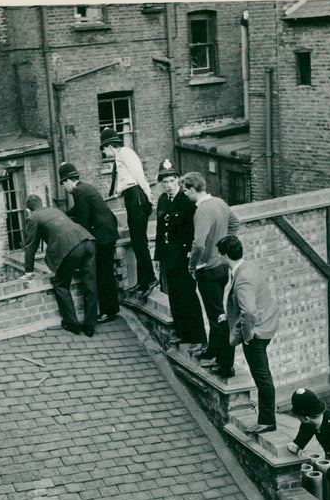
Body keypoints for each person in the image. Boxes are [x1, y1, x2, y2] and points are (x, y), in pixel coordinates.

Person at [216, 235, 279, 433]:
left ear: (225, 256)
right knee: (262, 375)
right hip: (267, 320)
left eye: (220, 255)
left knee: (262, 377)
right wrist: (228, 317)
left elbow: (249, 311)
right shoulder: (248, 267)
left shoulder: (242, 278)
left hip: (257, 330)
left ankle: (267, 421)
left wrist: (248, 334)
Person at [181, 171, 239, 378]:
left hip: (208, 269)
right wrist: (221, 248)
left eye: (185, 190)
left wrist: (193, 265)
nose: (185, 195)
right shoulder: (220, 203)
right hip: (222, 267)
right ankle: (213, 351)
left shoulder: (203, 210)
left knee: (217, 317)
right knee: (215, 311)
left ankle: (225, 363)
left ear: (191, 189)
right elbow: (235, 225)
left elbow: (198, 243)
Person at [19, 194, 98, 337]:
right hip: (88, 241)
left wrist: (28, 271)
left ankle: (72, 323)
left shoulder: (33, 218)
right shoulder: (55, 210)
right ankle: (90, 325)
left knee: (60, 284)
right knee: (90, 284)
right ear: (41, 203)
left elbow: (30, 247)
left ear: (28, 209)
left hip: (71, 248)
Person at [99, 127, 158, 300]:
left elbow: (139, 175)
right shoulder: (120, 157)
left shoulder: (125, 153)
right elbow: (123, 181)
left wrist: (149, 195)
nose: (103, 152)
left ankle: (151, 279)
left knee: (140, 241)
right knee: (137, 240)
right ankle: (143, 280)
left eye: (103, 148)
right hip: (131, 196)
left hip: (136, 196)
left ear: (110, 145)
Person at [154, 158, 206, 349]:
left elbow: (193, 231)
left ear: (178, 180)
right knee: (174, 295)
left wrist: (192, 257)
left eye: (172, 181)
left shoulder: (186, 200)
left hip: (183, 256)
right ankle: (181, 332)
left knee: (188, 296)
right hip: (168, 256)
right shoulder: (162, 201)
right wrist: (158, 257)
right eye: (165, 182)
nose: (168, 185)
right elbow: (161, 231)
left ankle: (197, 337)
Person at [59, 162, 120, 323]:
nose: (64, 188)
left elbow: (84, 220)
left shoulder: (79, 191)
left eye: (63, 184)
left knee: (102, 273)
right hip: (108, 233)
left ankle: (108, 311)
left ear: (68, 181)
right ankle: (112, 308)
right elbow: (76, 211)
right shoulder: (85, 188)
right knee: (107, 272)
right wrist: (62, 216)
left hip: (103, 236)